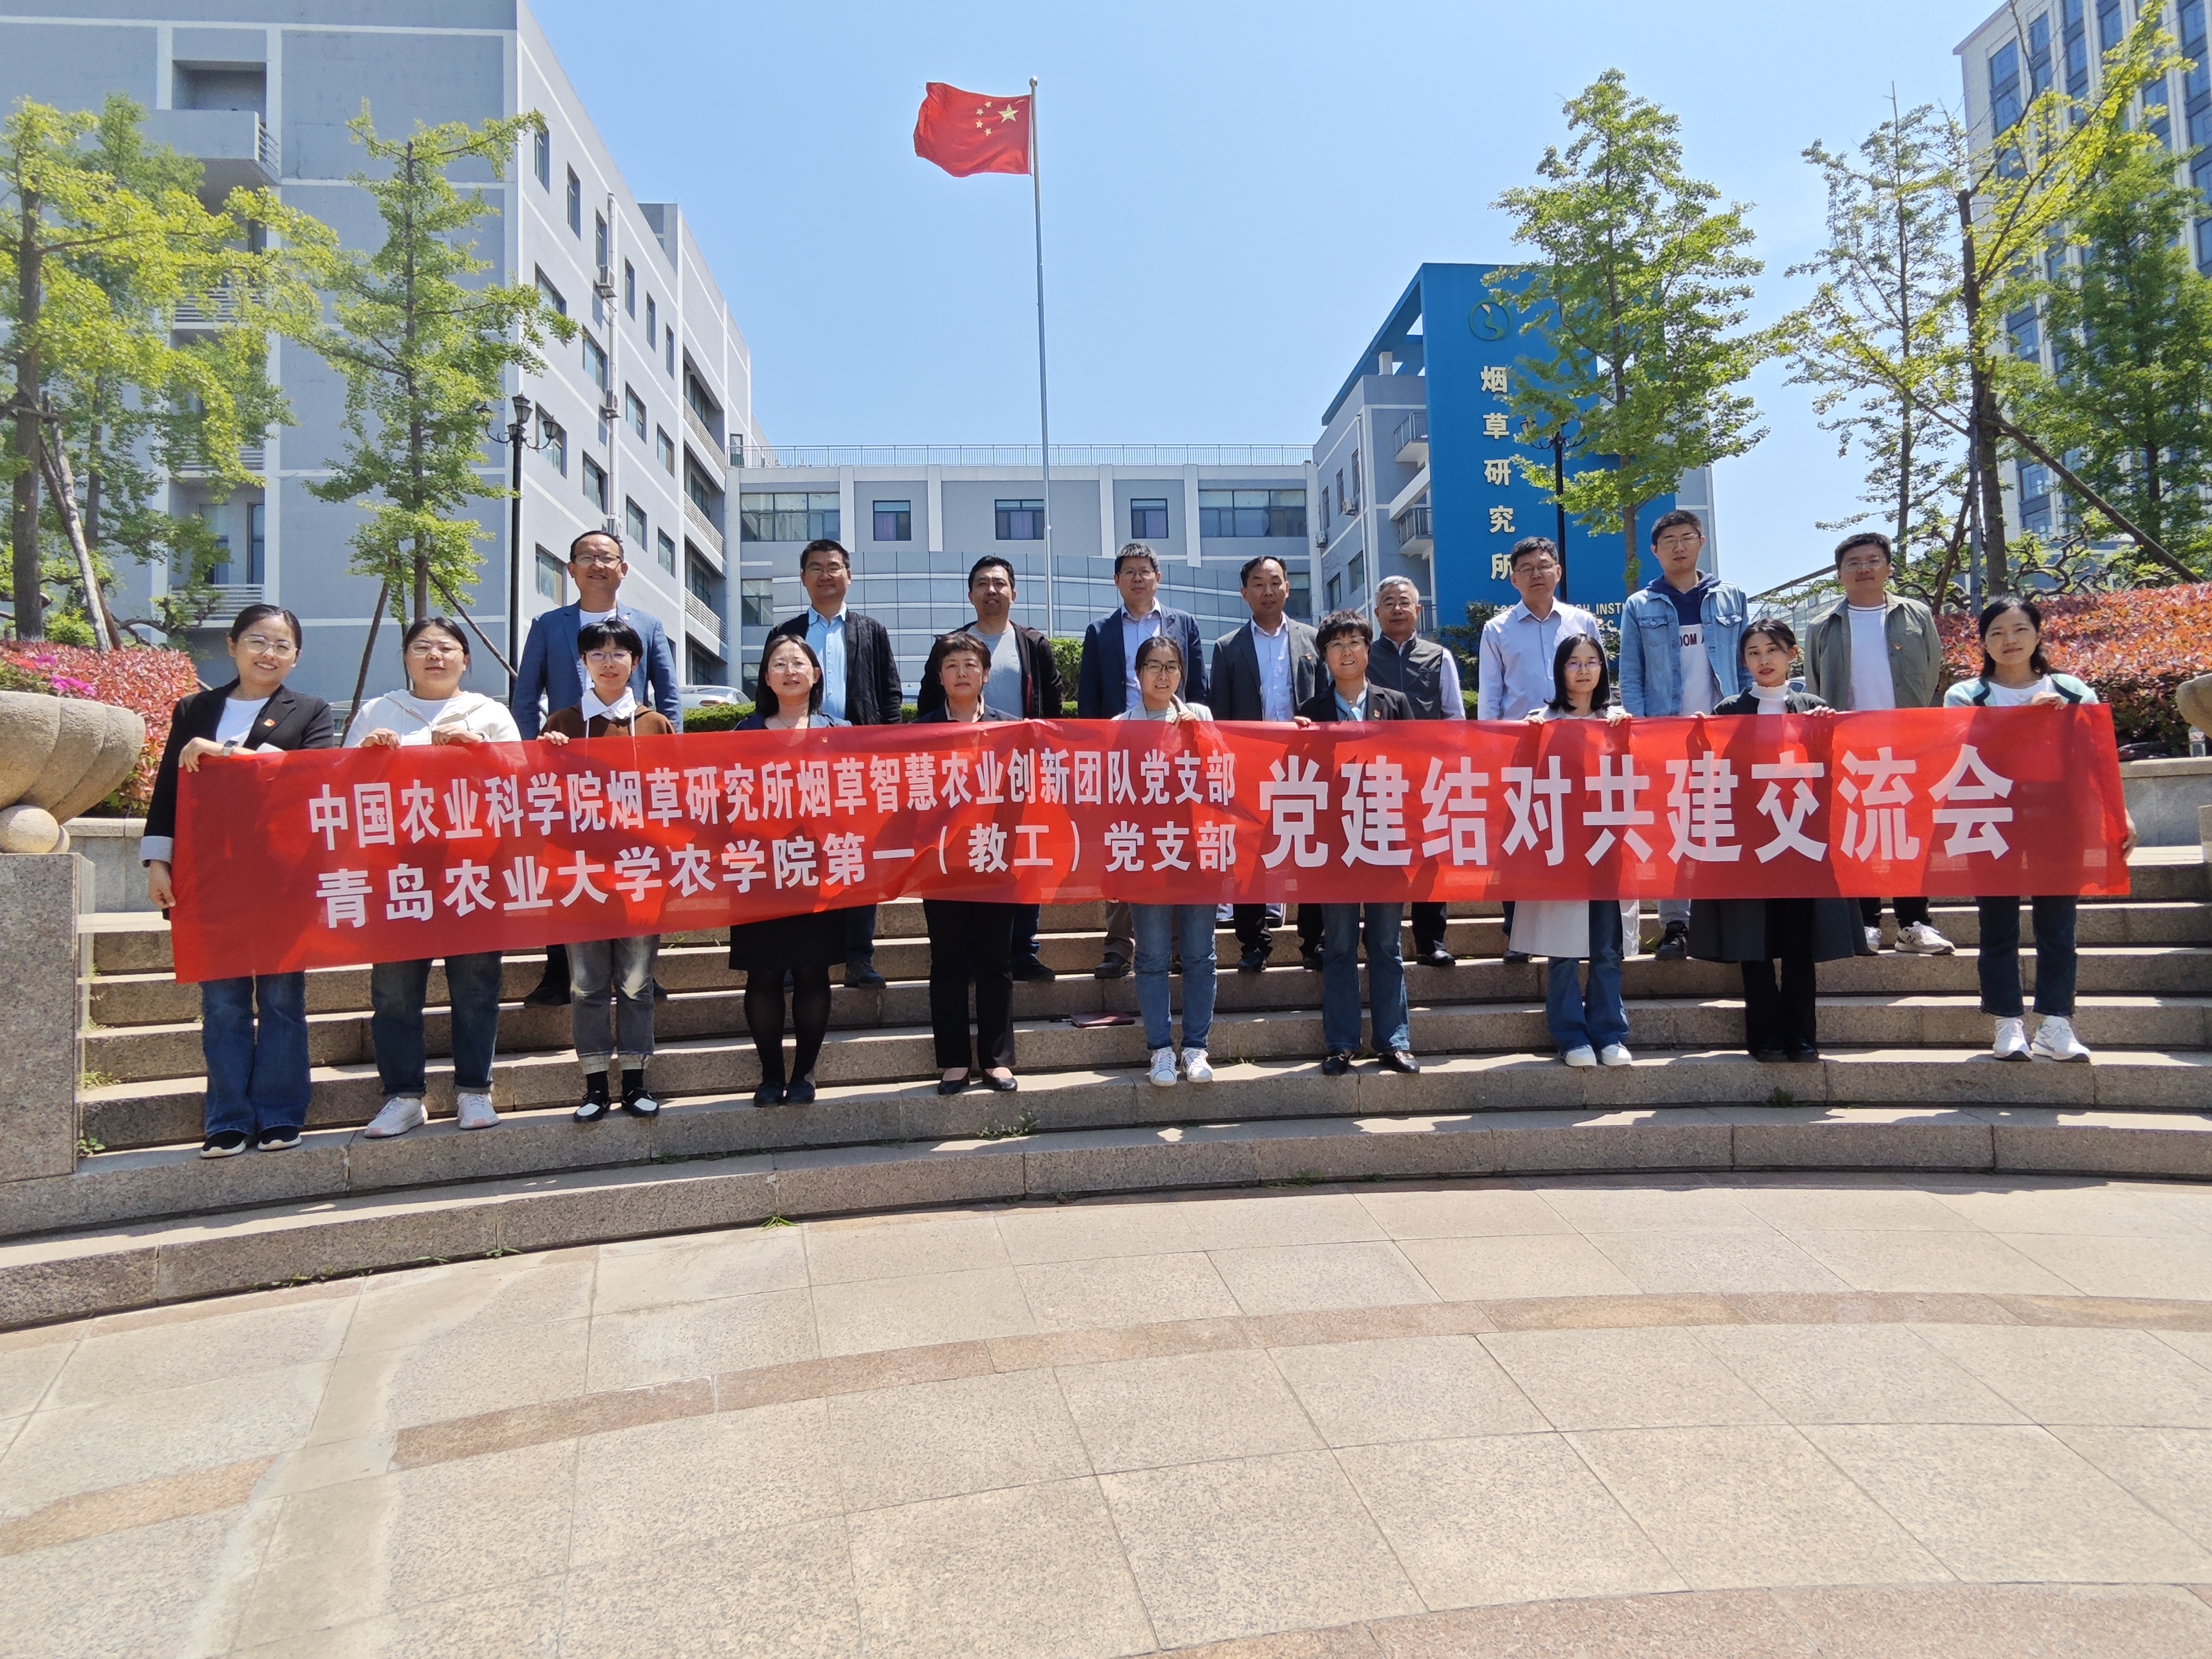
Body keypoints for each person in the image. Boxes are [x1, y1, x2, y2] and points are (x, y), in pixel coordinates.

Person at [143, 605, 336, 1157]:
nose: (268, 653)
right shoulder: (195, 709)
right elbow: (169, 789)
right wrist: (158, 861)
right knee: (223, 1002)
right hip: (208, 875)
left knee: (281, 999)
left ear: (296, 657)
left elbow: (302, 779)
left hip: (280, 877)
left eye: (282, 645)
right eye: (257, 641)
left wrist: (223, 753)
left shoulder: (312, 712)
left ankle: (279, 1114)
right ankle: (227, 1117)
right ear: (232, 645)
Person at [347, 618, 523, 1138]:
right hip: (398, 869)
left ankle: (474, 1089)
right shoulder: (378, 712)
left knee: (476, 985)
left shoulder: (489, 713)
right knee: (395, 991)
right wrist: (366, 758)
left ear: (466, 660)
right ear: (405, 657)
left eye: (447, 647)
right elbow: (339, 784)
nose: (435, 656)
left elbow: (522, 777)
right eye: (422, 647)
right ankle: (403, 1096)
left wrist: (479, 747)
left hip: (473, 868)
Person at [1944, 596, 2138, 1061]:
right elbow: (1957, 752)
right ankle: (2007, 1021)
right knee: (1997, 925)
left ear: (2037, 635)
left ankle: (2056, 1022)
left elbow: (2099, 757)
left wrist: (2121, 813)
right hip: (1992, 816)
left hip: (2059, 815)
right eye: (1996, 632)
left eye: (2019, 630)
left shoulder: (2071, 690)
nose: (2009, 641)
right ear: (1983, 642)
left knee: (2058, 925)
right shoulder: (1965, 695)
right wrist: (2022, 720)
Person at [511, 528, 681, 1006]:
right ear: (571, 569)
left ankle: (642, 970)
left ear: (623, 569)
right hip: (568, 769)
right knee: (568, 866)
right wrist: (532, 757)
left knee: (635, 864)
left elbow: (668, 695)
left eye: (607, 558)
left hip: (632, 773)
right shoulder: (549, 624)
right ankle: (558, 971)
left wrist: (671, 757)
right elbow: (526, 695)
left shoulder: (647, 625)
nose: (597, 565)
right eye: (586, 557)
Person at [1687, 620, 1858, 1062]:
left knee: (1799, 943)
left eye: (1772, 650)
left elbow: (1833, 773)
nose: (1764, 660)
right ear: (1744, 661)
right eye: (1754, 653)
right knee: (1754, 944)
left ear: (1792, 654)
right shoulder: (1729, 710)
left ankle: (1801, 1037)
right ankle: (1765, 1036)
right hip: (1750, 840)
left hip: (1799, 838)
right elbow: (1713, 771)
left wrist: (1826, 734)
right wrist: (1697, 737)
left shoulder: (1813, 708)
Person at [539, 620, 675, 1121]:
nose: (609, 662)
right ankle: (595, 1085)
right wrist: (547, 756)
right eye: (597, 653)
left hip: (640, 873)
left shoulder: (656, 725)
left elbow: (676, 795)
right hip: (580, 875)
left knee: (637, 982)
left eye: (620, 653)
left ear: (635, 663)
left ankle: (636, 1081)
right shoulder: (562, 724)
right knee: (585, 984)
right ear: (584, 663)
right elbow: (542, 800)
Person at [1803, 530, 1956, 957]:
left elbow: (1932, 672)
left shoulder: (1916, 615)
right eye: (1853, 563)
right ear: (1839, 574)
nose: (1864, 569)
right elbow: (1815, 687)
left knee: (1910, 834)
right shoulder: (1822, 626)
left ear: (1888, 567)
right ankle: (1867, 922)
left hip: (1908, 744)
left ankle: (1914, 923)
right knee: (1860, 834)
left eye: (1873, 561)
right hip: (1850, 748)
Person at [759, 539, 902, 988]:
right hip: (797, 760)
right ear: (803, 578)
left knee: (856, 856)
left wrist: (887, 757)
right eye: (816, 567)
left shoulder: (871, 631)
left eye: (834, 567)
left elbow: (890, 696)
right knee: (797, 855)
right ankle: (793, 956)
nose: (826, 575)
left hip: (856, 762)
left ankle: (858, 957)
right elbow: (766, 696)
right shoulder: (787, 633)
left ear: (849, 577)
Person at [917, 555, 1064, 981]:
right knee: (963, 858)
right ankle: (964, 952)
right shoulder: (951, 646)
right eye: (982, 583)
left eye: (1000, 583)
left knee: (1020, 858)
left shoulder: (1032, 644)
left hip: (1015, 776)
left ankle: (1023, 949)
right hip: (959, 780)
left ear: (1014, 593)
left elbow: (1052, 710)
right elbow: (928, 708)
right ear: (971, 595)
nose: (992, 590)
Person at [1617, 509, 1750, 962]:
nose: (1679, 546)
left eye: (1687, 537)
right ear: (1654, 551)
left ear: (1701, 542)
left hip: (1724, 734)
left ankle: (1726, 918)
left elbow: (1746, 667)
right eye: (1669, 540)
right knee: (1672, 827)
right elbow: (1631, 674)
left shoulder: (1731, 598)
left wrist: (1747, 721)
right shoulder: (1641, 605)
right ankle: (1676, 923)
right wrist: (1641, 733)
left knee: (1725, 822)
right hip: (1666, 735)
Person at [727, 634, 849, 1104]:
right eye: (779, 663)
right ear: (766, 677)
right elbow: (722, 800)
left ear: (816, 675)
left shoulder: (840, 732)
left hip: (818, 869)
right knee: (763, 974)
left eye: (799, 663)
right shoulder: (744, 733)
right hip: (759, 870)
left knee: (813, 972)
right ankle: (770, 1075)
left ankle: (805, 1074)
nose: (790, 670)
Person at [1077, 544, 1209, 979]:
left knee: (1176, 843)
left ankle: (1177, 946)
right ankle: (1119, 946)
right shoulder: (1100, 631)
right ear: (1116, 581)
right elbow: (1090, 698)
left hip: (1176, 756)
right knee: (1125, 844)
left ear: (1158, 577)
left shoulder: (1183, 624)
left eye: (1145, 571)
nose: (1138, 578)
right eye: (1129, 572)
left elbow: (1198, 688)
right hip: (1123, 755)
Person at [1296, 610, 1417, 1076]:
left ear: (1368, 649)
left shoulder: (1396, 704)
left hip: (1387, 842)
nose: (1347, 652)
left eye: (1355, 642)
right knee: (1341, 946)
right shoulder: (1311, 713)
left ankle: (1394, 1041)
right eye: (1336, 645)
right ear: (1324, 656)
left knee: (1386, 944)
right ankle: (1341, 1042)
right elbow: (1299, 779)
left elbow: (1415, 768)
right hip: (1336, 846)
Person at [1479, 536, 1604, 964]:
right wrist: (1492, 751)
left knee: (1572, 835)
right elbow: (1490, 697)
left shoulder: (1582, 622)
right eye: (1527, 568)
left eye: (1544, 565)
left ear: (1558, 572)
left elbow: (1600, 682)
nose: (1536, 574)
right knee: (1520, 838)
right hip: (1522, 751)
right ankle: (1518, 931)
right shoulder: (1497, 629)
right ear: (1513, 579)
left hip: (1579, 747)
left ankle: (1577, 927)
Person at [1513, 635, 1634, 1067]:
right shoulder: (1540, 721)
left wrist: (1628, 736)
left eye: (1592, 661)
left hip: (1606, 847)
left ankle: (1609, 1032)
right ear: (1559, 669)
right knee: (1562, 948)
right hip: (1561, 848)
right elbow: (1520, 781)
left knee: (1607, 946)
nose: (1584, 670)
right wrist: (1529, 739)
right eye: (1574, 662)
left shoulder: (1617, 721)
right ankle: (1570, 1035)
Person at [917, 633, 1021, 1093]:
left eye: (970, 664)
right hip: (941, 864)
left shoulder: (1011, 729)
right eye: (952, 665)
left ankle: (997, 1060)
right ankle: (955, 1061)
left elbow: (1024, 795)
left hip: (995, 857)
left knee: (996, 960)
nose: (961, 673)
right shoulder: (920, 733)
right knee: (948, 962)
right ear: (940, 676)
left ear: (985, 674)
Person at [1209, 553, 1323, 972]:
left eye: (1275, 582)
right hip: (1249, 767)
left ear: (1288, 588)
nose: (1268, 591)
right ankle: (1253, 944)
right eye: (1258, 583)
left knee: (1310, 853)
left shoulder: (1313, 641)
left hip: (1303, 765)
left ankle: (1314, 941)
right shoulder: (1227, 648)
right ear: (1245, 594)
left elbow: (1324, 703)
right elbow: (1220, 717)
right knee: (1250, 857)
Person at [1115, 636, 1218, 1086]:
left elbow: (1226, 776)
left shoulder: (1201, 717)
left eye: (1172, 666)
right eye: (1154, 666)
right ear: (1138, 674)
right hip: (1145, 856)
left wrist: (1200, 738)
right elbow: (1109, 797)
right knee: (1153, 957)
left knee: (1200, 956)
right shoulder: (1120, 726)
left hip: (1197, 852)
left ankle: (1196, 1048)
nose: (1163, 675)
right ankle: (1160, 1050)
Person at [1369, 575, 1465, 969]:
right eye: (1389, 602)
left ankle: (1431, 941)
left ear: (1418, 610)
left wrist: (1452, 766)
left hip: (1428, 774)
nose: (1397, 609)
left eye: (1405, 602)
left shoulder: (1439, 657)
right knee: (1379, 856)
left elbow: (1454, 717)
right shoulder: (1363, 656)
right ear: (1376, 612)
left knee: (1431, 857)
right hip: (1376, 774)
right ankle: (1381, 938)